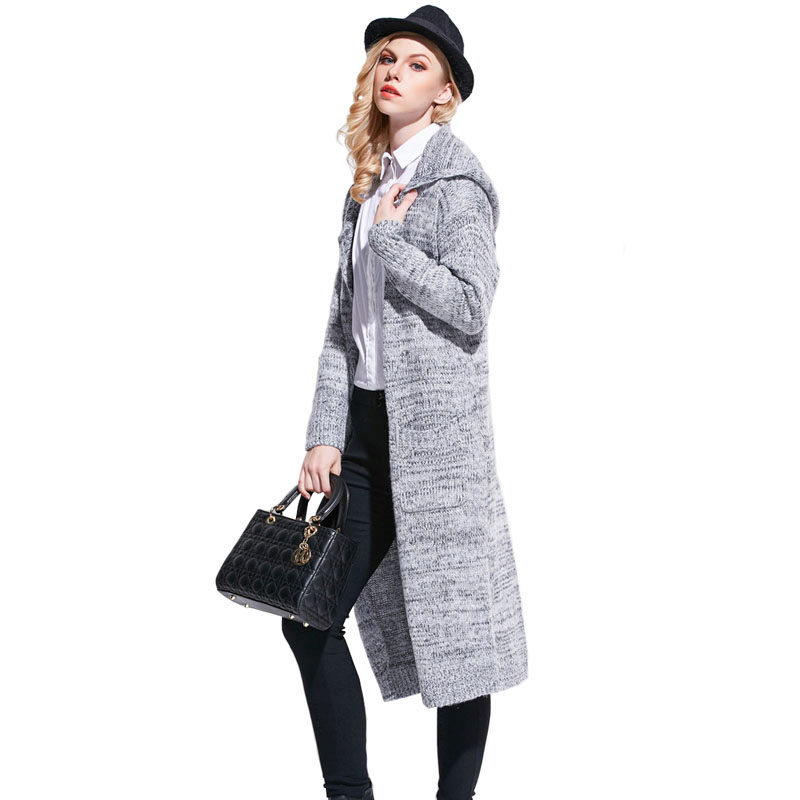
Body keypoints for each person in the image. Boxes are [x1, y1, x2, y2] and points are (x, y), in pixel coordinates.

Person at [283, 6, 529, 800]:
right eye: (388, 57)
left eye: (418, 64)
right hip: (362, 432)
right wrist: (324, 432)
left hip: (437, 445)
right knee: (307, 614)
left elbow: (471, 304)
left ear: (445, 93)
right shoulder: (366, 186)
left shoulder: (456, 187)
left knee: (459, 649)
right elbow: (341, 325)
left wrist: (391, 242)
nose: (395, 71)